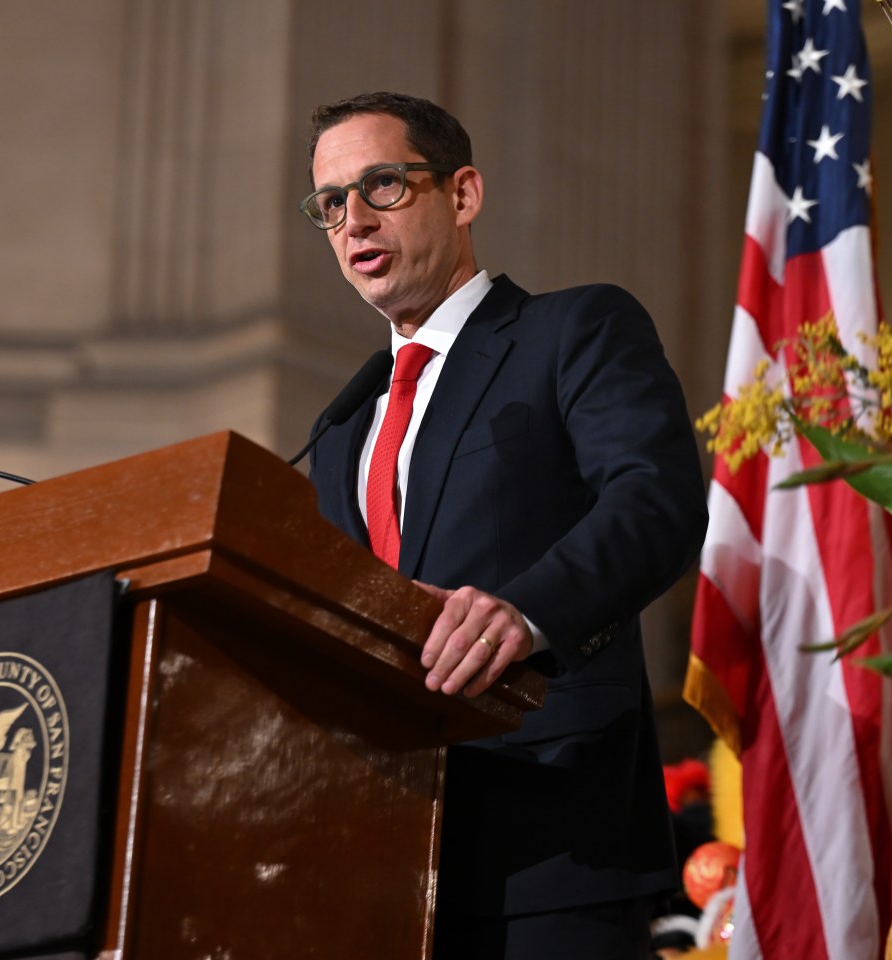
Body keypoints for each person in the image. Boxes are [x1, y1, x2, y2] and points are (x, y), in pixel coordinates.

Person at [301, 92, 708, 960]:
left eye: (382, 185)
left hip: (548, 840)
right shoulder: (342, 429)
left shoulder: (573, 330)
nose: (353, 220)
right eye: (332, 203)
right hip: (373, 860)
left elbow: (656, 502)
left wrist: (523, 615)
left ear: (463, 195)